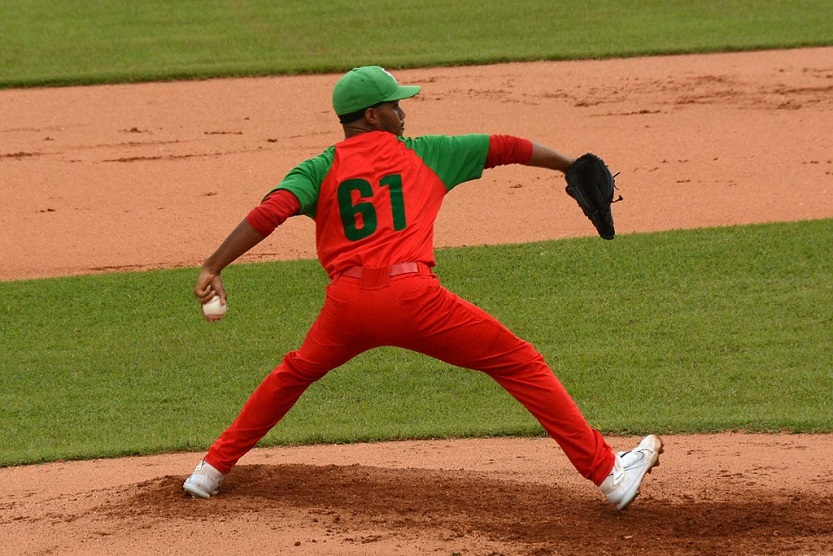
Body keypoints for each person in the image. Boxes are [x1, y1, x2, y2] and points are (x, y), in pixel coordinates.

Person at [183, 66, 662, 510]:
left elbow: (271, 211)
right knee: (519, 361)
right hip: (415, 300)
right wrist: (568, 164)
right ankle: (609, 474)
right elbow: (507, 146)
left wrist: (213, 265)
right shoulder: (428, 153)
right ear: (372, 115)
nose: (403, 111)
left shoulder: (318, 168)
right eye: (395, 105)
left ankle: (210, 470)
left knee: (293, 374)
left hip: (347, 306)